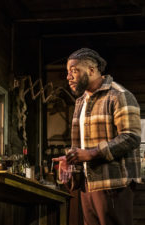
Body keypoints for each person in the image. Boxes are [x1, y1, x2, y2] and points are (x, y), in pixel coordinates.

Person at [53, 48, 142, 225]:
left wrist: (92, 153)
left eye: (74, 71)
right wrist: (72, 158)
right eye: (67, 72)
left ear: (92, 70)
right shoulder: (81, 102)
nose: (68, 77)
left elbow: (131, 136)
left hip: (114, 184)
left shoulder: (119, 95)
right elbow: (85, 144)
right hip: (88, 184)